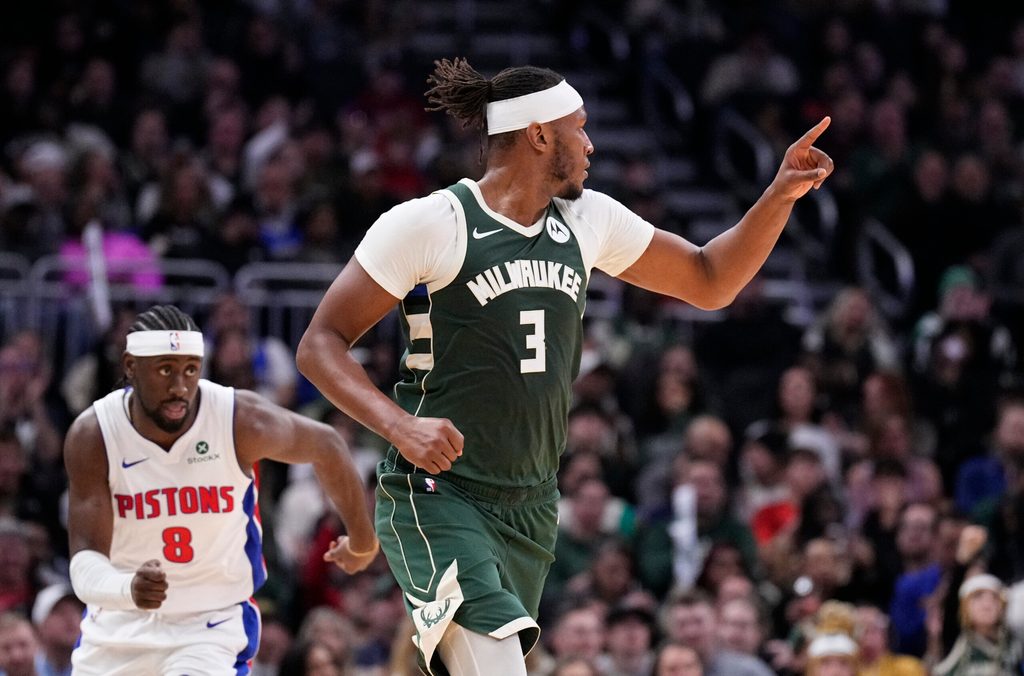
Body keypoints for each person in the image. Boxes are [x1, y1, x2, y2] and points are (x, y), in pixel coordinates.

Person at [297, 57, 833, 676]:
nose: (590, 143)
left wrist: (779, 195)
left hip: (532, 501)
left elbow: (711, 280)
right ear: (538, 134)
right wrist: (398, 426)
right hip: (439, 493)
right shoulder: (430, 223)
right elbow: (319, 344)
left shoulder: (587, 220)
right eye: (579, 127)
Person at [63, 305, 378, 675]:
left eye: (190, 370)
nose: (180, 387)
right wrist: (126, 587)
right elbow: (84, 561)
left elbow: (327, 445)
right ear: (131, 366)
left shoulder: (236, 418)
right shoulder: (95, 434)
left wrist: (362, 540)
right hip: (118, 626)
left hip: (209, 625)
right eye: (165, 370)